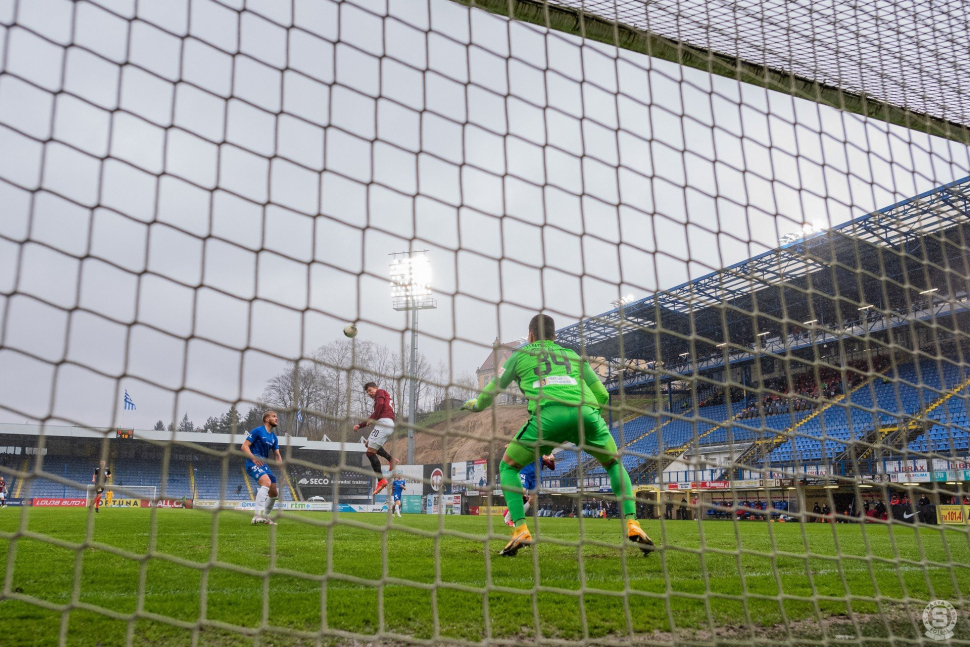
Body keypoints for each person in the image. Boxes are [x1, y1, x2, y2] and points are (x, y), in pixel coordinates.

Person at [462, 314, 654, 557]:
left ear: (530, 336)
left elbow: (490, 392)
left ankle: (520, 529)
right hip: (586, 414)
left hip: (548, 418)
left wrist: (475, 405)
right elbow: (603, 396)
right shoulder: (574, 356)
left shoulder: (520, 355)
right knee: (614, 464)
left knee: (508, 467)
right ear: (555, 337)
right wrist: (588, 416)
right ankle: (632, 523)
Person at [354, 382, 397, 496]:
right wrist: (360, 425)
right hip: (384, 423)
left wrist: (374, 418)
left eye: (370, 390)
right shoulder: (379, 400)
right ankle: (391, 459)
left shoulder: (380, 392)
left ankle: (381, 480)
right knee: (369, 444)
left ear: (375, 388)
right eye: (367, 392)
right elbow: (375, 413)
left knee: (370, 453)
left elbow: (379, 407)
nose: (369, 393)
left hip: (384, 423)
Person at [242, 411, 283, 526]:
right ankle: (256, 516)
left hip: (264, 465)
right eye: (274, 416)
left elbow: (277, 455)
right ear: (266, 419)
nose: (276, 418)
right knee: (266, 482)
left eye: (276, 416)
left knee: (274, 492)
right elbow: (244, 446)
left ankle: (265, 517)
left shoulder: (274, 437)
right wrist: (253, 458)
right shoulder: (258, 431)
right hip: (252, 463)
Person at [504, 454, 556, 527]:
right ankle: (509, 517)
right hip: (524, 473)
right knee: (522, 492)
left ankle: (513, 518)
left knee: (532, 499)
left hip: (537, 477)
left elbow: (552, 467)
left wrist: (551, 459)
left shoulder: (541, 452)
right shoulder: (525, 446)